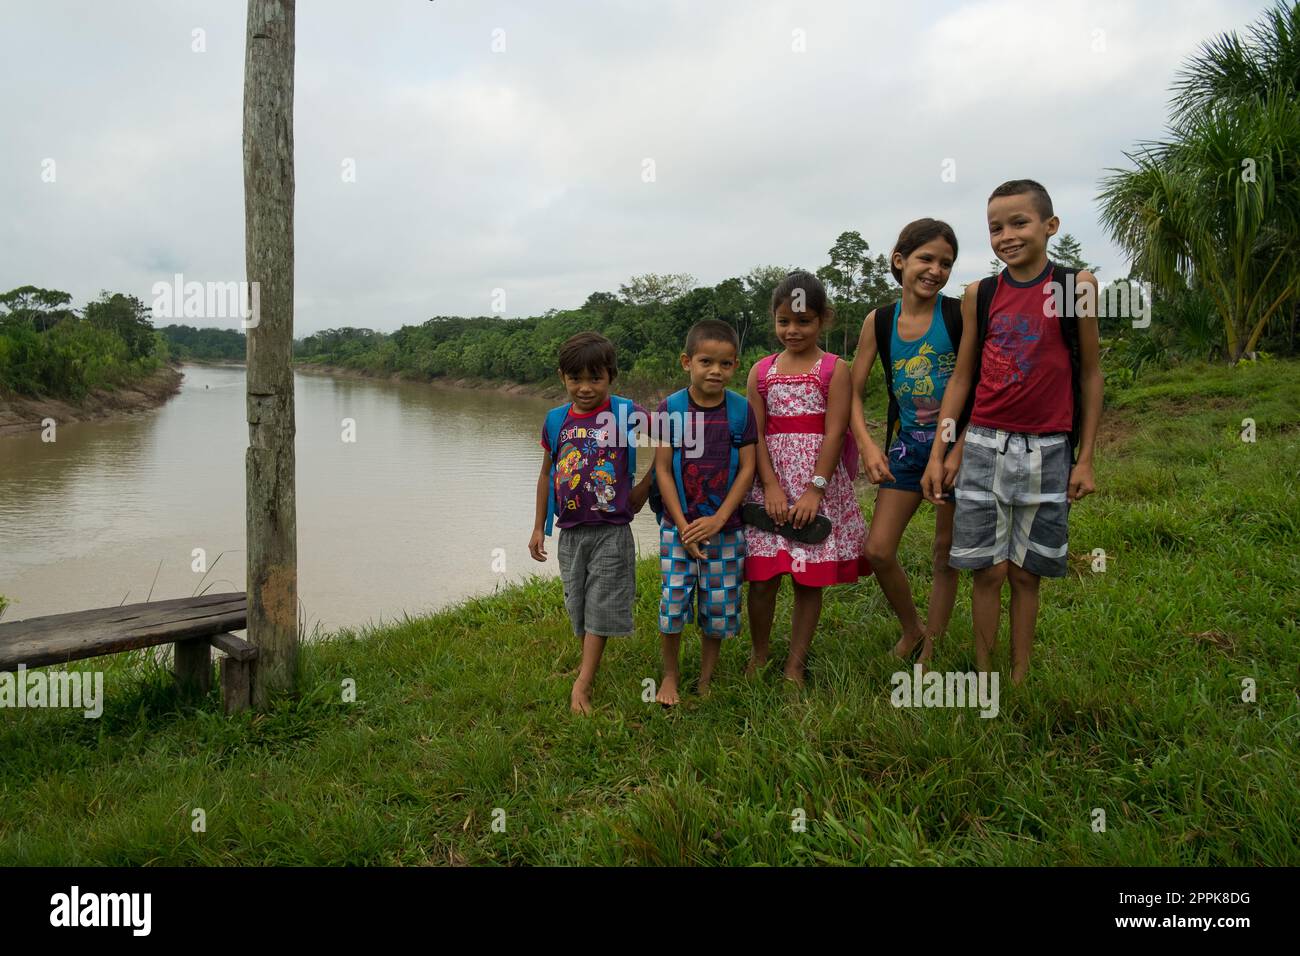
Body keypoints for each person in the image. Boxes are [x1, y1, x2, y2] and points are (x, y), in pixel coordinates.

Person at [921, 179, 1102, 683]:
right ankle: (984, 673)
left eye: (1019, 223)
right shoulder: (981, 294)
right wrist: (942, 451)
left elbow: (1090, 372)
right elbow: (962, 377)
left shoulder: (1075, 287)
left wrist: (1084, 458)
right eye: (995, 228)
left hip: (1049, 449)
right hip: (982, 444)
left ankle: (1019, 674)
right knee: (988, 569)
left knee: (1026, 573)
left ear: (1051, 226)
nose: (1006, 236)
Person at [742, 271, 872, 685]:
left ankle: (795, 664)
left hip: (817, 485)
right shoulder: (760, 372)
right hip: (770, 485)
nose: (792, 331)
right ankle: (759, 655)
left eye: (803, 321)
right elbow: (755, 433)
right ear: (774, 320)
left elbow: (836, 432)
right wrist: (771, 486)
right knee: (762, 577)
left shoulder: (835, 369)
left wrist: (815, 490)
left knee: (805, 579)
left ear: (823, 320)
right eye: (784, 321)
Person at [850, 218, 964, 666]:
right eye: (926, 258)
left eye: (946, 263)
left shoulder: (958, 314)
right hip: (907, 445)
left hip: (955, 448)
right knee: (877, 549)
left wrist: (957, 449)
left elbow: (978, 384)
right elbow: (853, 392)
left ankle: (931, 647)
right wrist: (868, 445)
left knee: (944, 551)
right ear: (900, 261)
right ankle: (912, 627)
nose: (935, 270)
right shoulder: (879, 321)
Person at [529, 331, 653, 713]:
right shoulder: (555, 420)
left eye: (595, 378)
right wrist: (539, 526)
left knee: (602, 603)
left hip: (611, 531)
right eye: (575, 379)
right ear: (562, 377)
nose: (585, 388)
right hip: (570, 532)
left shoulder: (624, 412)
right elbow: (547, 474)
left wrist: (644, 489)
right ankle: (586, 666)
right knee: (577, 605)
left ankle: (583, 683)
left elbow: (670, 439)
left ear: (611, 376)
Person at [651, 320, 758, 705]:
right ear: (687, 362)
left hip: (726, 528)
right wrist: (683, 526)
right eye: (706, 361)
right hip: (677, 528)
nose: (716, 370)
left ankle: (707, 678)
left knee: (718, 605)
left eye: (726, 364)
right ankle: (670, 676)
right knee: (675, 601)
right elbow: (662, 469)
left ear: (735, 366)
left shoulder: (741, 411)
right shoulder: (670, 409)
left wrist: (717, 520)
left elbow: (747, 469)